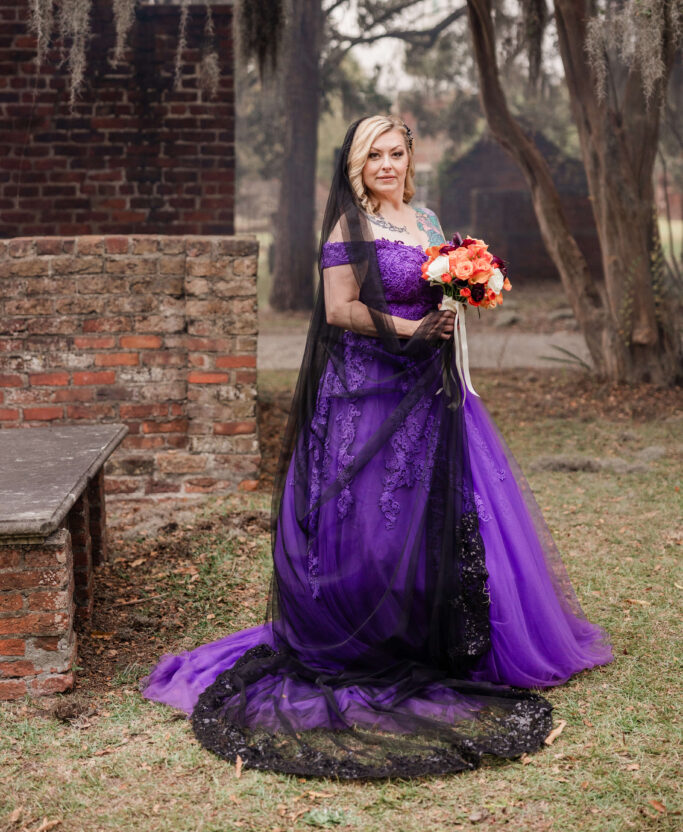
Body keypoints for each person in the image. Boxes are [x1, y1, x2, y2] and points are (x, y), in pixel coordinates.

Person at [141, 115, 613, 779]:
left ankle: (440, 633)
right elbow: (338, 309)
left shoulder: (424, 220)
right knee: (369, 514)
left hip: (430, 388)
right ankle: (365, 628)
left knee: (442, 510)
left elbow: (439, 283)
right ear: (356, 164)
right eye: (374, 156)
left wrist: (463, 292)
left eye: (396, 153)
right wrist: (407, 327)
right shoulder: (347, 228)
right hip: (366, 389)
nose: (386, 165)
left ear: (408, 159)